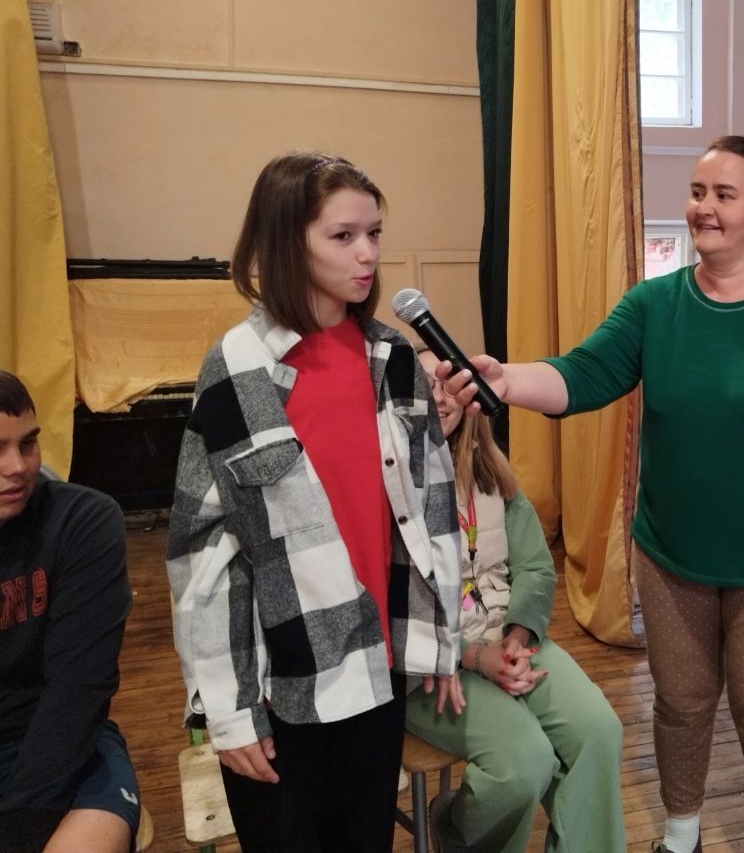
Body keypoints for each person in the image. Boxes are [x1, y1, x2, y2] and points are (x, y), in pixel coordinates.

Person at [441, 135, 744, 853]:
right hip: (672, 559)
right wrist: (506, 379)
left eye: (724, 195)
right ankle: (680, 839)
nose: (704, 208)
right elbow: (582, 374)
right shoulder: (655, 304)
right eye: (698, 192)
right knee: (680, 706)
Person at [167, 152, 463, 853]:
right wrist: (227, 709)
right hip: (285, 683)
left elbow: (430, 512)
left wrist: (441, 636)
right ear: (285, 242)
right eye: (343, 236)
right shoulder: (238, 365)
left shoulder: (393, 357)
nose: (368, 254)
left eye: (374, 233)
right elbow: (205, 551)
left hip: (377, 668)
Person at [404, 350, 626, 853]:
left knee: (598, 733)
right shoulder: (386, 485)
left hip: (507, 639)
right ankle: (457, 829)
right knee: (524, 763)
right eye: (423, 385)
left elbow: (535, 568)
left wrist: (516, 640)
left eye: (447, 383)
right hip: (432, 664)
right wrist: (474, 657)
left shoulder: (491, 476)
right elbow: (392, 606)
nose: (439, 397)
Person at [0, 371, 140, 853]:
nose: (17, 466)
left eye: (28, 443)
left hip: (61, 744)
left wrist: (18, 829)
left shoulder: (81, 521)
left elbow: (80, 688)